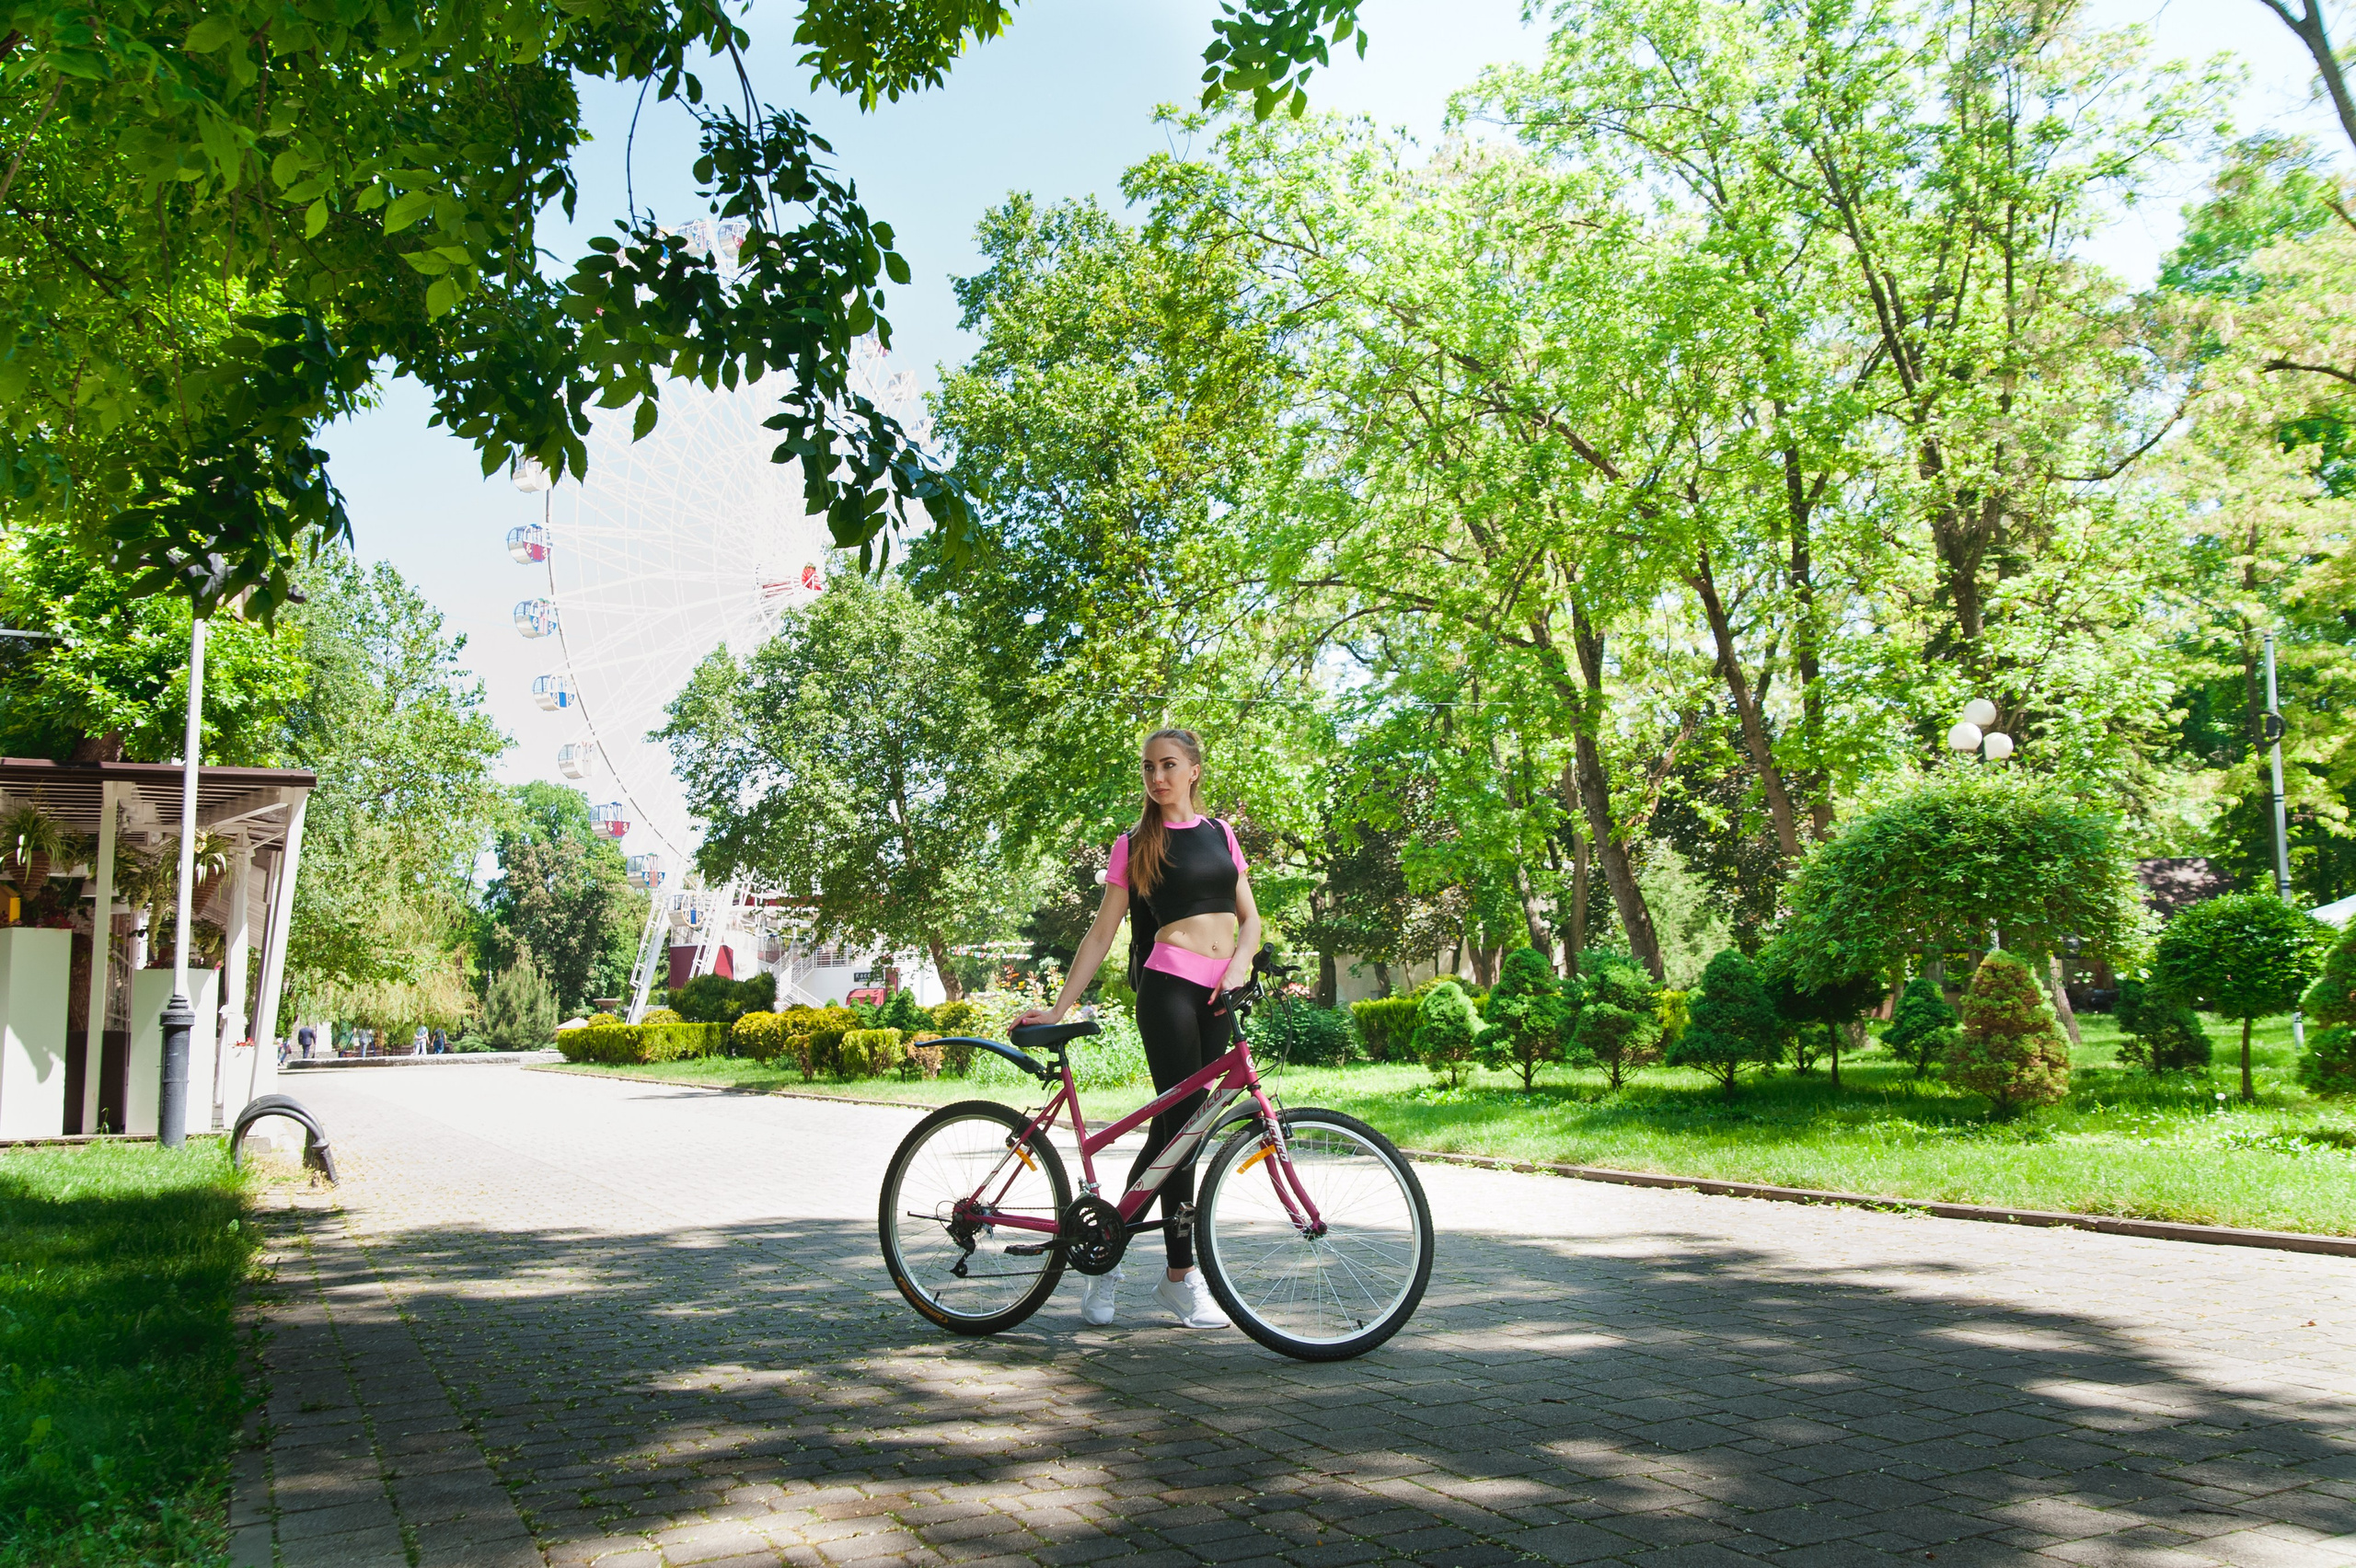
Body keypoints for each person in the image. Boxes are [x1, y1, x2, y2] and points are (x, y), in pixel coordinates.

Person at [1016, 727, 1259, 1331]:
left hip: (1219, 995)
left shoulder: (1220, 834)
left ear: (1194, 770)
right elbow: (1102, 933)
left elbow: (1250, 919)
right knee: (1181, 1133)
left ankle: (1106, 1250)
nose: (1157, 778)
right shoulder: (1135, 843)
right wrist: (1060, 1008)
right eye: (1149, 768)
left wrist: (1238, 965)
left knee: (1179, 1134)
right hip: (1170, 990)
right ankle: (1175, 1277)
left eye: (1169, 765)